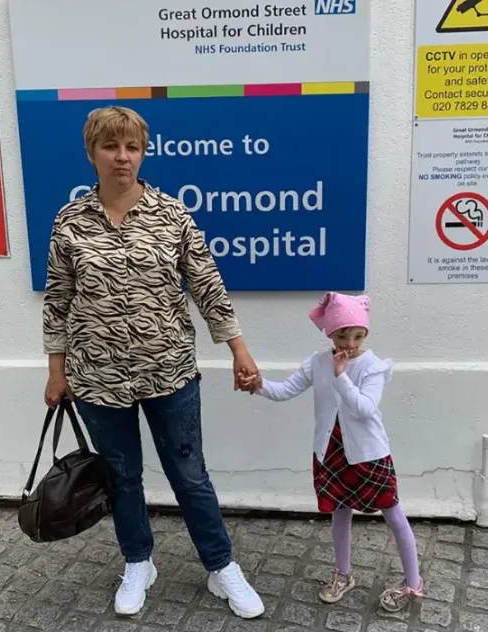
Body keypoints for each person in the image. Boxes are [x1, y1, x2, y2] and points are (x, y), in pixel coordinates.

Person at [42, 105, 264, 619]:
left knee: (190, 476)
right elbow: (58, 299)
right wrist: (56, 371)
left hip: (170, 373)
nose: (122, 157)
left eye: (132, 147)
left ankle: (221, 566)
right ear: (92, 153)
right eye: (111, 146)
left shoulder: (172, 215)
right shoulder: (69, 221)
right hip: (98, 378)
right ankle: (138, 561)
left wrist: (238, 348)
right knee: (122, 477)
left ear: (143, 153)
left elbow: (207, 283)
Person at [239, 292, 424, 613]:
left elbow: (364, 409)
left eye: (358, 336)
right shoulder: (317, 363)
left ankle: (413, 583)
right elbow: (284, 390)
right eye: (342, 336)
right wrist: (258, 384)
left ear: (365, 334)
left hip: (369, 455)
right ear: (330, 334)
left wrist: (340, 377)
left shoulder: (372, 367)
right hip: (331, 452)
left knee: (394, 515)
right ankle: (343, 574)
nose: (350, 344)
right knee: (340, 513)